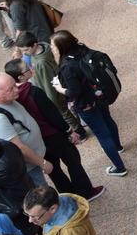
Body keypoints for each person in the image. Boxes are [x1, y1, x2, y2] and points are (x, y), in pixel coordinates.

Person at [4, 59, 100, 199]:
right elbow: (52, 115)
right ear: (20, 77)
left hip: (37, 139)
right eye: (26, 67)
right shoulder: (34, 92)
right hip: (54, 134)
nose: (30, 67)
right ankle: (85, 192)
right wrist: (69, 130)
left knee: (53, 169)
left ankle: (68, 196)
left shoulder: (12, 99)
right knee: (73, 161)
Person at [50, 30, 128, 178]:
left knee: (102, 135)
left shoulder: (67, 66)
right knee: (108, 120)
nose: (51, 48)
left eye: (53, 46)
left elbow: (74, 91)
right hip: (99, 94)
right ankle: (118, 147)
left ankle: (119, 167)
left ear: (61, 47)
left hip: (86, 104)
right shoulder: (82, 48)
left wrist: (60, 88)